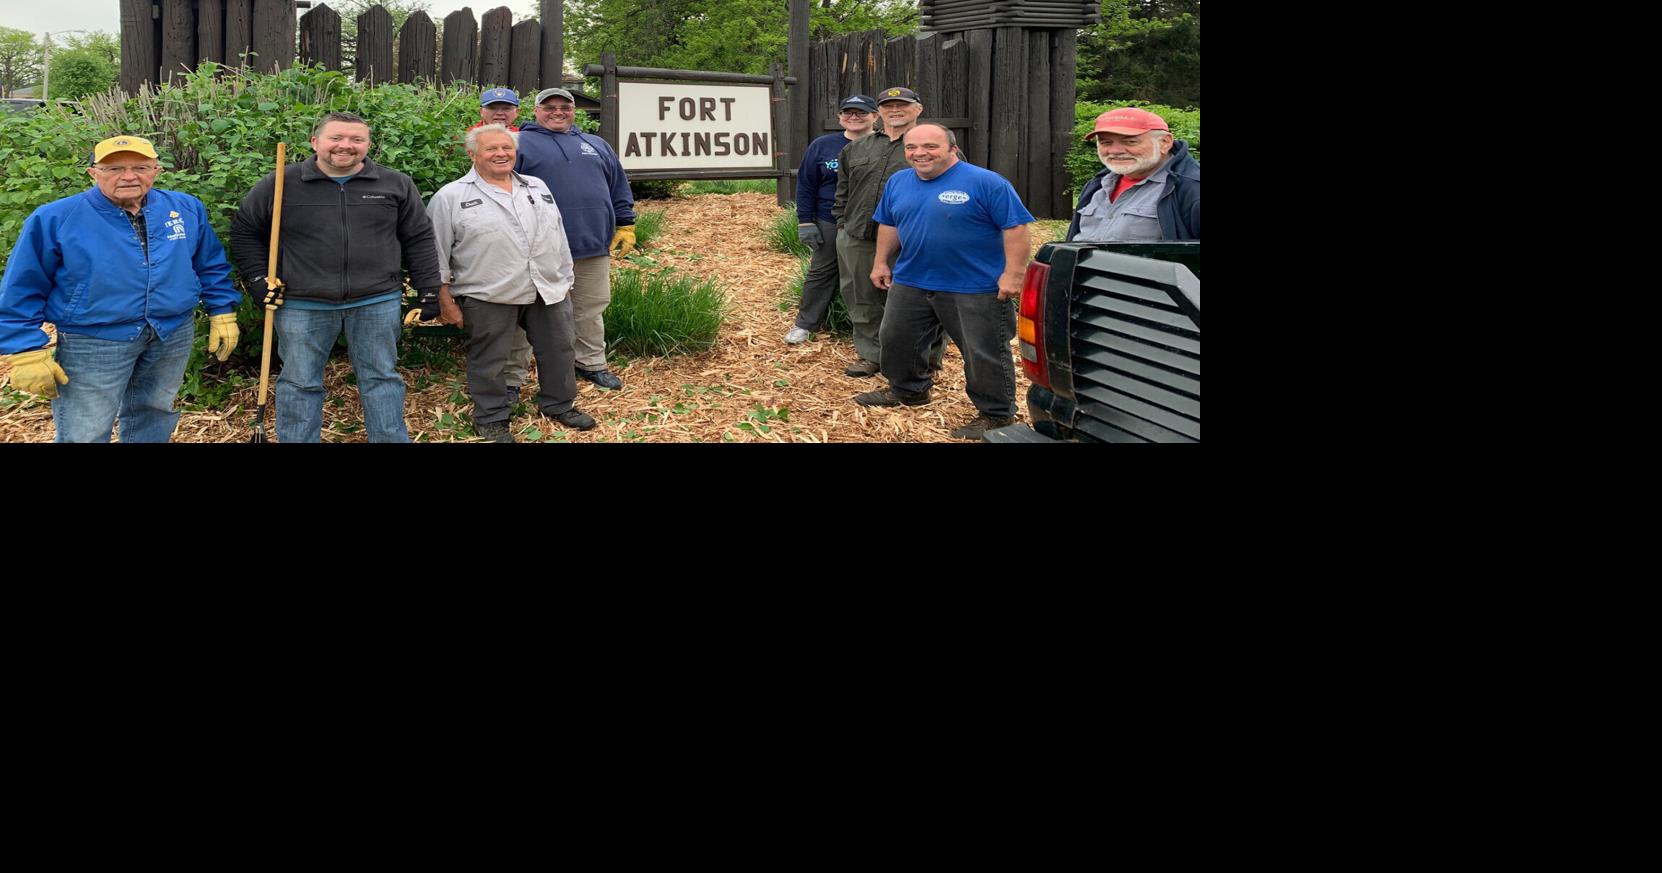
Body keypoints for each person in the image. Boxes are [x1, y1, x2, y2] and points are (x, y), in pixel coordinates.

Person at [0, 135, 240, 442]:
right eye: (114, 169)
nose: (129, 176)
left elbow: (209, 264)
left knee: (155, 411)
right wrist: (24, 348)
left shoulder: (184, 208)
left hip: (171, 332)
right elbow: (22, 285)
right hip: (94, 339)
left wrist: (222, 311)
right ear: (93, 172)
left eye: (140, 166)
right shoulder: (56, 218)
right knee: (85, 428)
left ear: (157, 170)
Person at [229, 111, 442, 443]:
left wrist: (428, 289)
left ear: (368, 144)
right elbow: (245, 231)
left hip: (377, 300)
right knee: (300, 382)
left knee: (382, 379)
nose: (346, 146)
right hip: (301, 303)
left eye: (356, 139)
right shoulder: (282, 183)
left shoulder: (395, 183)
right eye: (336, 138)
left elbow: (418, 238)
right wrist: (257, 278)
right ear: (315, 143)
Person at [855, 124, 1034, 441]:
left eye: (930, 146)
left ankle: (996, 415)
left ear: (952, 149)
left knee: (984, 351)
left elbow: (1016, 228)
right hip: (912, 278)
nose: (919, 153)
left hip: (974, 284)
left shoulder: (986, 182)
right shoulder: (899, 181)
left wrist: (1014, 273)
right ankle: (909, 391)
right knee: (896, 338)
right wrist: (881, 261)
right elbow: (889, 223)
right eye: (912, 147)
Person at [427, 124, 596, 443]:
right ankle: (491, 418)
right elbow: (436, 250)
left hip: (547, 288)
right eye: (491, 149)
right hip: (488, 293)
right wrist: (444, 299)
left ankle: (558, 405)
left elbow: (557, 235)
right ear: (472, 154)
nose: (500, 154)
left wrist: (566, 278)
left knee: (559, 350)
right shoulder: (451, 196)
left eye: (506, 148)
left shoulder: (537, 186)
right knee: (490, 359)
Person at [511, 86, 636, 392]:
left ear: (573, 110)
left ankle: (590, 362)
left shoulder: (595, 144)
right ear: (536, 110)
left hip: (592, 243)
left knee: (590, 307)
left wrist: (626, 223)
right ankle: (513, 374)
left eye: (564, 106)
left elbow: (618, 185)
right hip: (537, 247)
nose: (557, 112)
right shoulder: (518, 143)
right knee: (525, 309)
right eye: (549, 106)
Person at [831, 86, 944, 377]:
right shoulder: (856, 148)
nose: (895, 110)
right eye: (888, 105)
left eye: (902, 105)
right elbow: (843, 191)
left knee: (919, 300)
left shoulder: (932, 146)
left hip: (911, 240)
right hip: (858, 236)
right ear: (878, 112)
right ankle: (872, 355)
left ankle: (926, 358)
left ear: (918, 109)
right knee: (861, 298)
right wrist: (843, 223)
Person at [784, 94, 877, 345]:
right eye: (848, 112)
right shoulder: (822, 145)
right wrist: (805, 220)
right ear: (839, 117)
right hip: (829, 219)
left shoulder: (884, 144)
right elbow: (805, 185)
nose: (854, 117)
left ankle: (872, 329)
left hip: (874, 221)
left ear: (875, 116)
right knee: (821, 272)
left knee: (870, 273)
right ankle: (805, 323)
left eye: (861, 112)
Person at [1065, 107, 1199, 242]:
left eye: (1130, 141)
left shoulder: (1192, 189)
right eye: (1106, 142)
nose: (1115, 151)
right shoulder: (1097, 185)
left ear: (1164, 142)